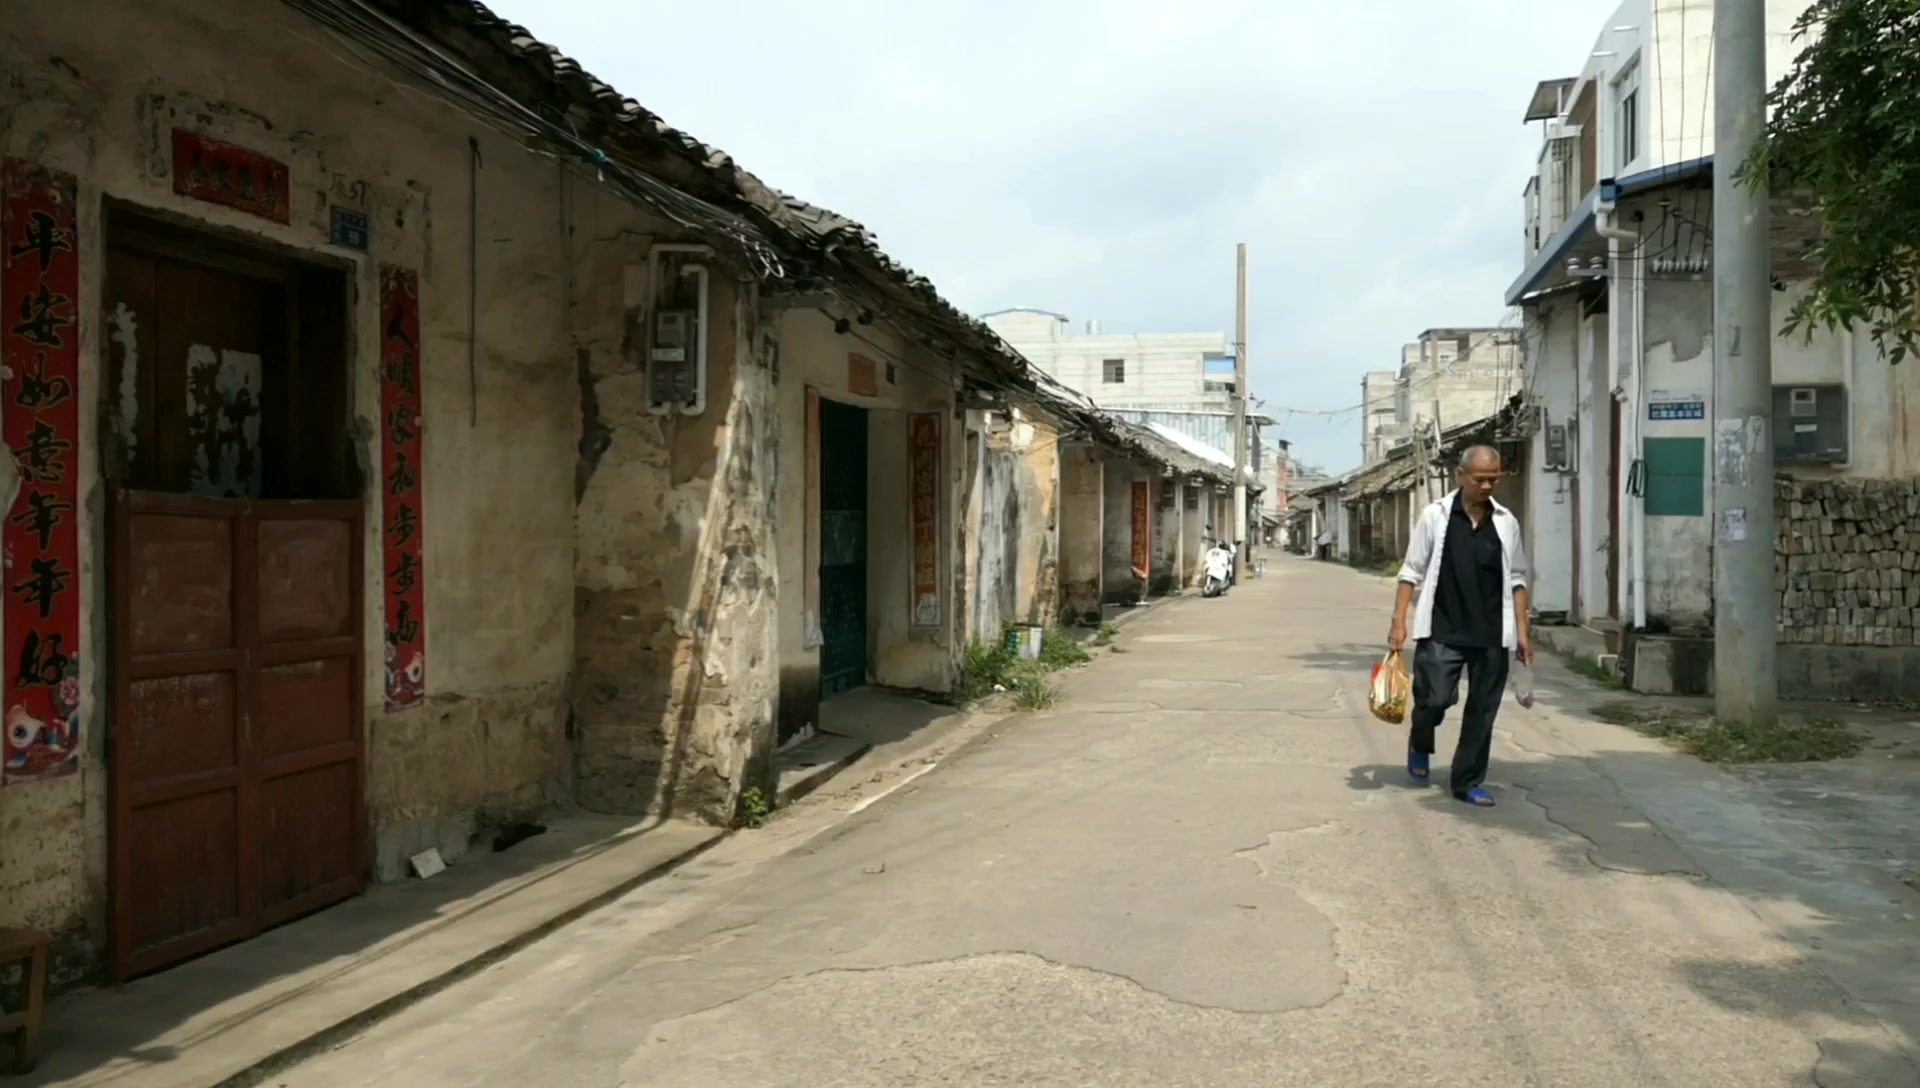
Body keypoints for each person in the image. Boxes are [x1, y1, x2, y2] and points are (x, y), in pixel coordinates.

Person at [1386, 445, 1532, 807]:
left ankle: (1467, 781)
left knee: (1483, 710)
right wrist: (1398, 623)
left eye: (1494, 479)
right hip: (1442, 628)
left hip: (1491, 633)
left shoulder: (1505, 522)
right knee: (1433, 699)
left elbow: (1517, 578)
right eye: (1480, 479)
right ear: (1461, 476)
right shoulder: (1435, 516)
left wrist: (1523, 634)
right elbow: (1410, 571)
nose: (1487, 486)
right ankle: (1420, 742)